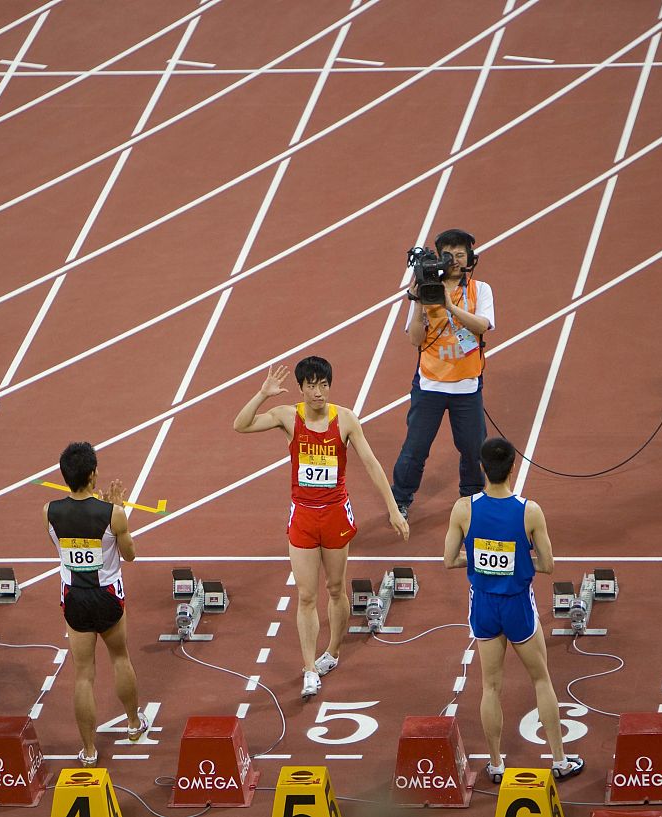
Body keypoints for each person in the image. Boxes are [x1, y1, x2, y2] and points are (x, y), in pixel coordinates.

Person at [234, 357, 409, 698]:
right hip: (302, 515)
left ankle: (332, 652)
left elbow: (371, 465)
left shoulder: (345, 420)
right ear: (301, 388)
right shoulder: (288, 416)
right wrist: (262, 394)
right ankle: (309, 669)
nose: (318, 392)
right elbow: (240, 425)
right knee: (307, 595)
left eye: (324, 385)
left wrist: (393, 510)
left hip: (334, 516)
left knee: (335, 588)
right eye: (311, 386)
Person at [443, 436, 583, 783]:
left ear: (482, 468)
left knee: (490, 686)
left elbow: (449, 560)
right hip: (517, 604)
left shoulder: (464, 509)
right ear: (513, 468)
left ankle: (495, 764)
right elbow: (548, 565)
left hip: (484, 606)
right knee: (541, 679)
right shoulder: (529, 511)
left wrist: (478, 560)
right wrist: (517, 560)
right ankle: (560, 761)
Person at [45, 442, 148, 766]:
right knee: (120, 657)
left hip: (74, 597)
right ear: (93, 474)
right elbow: (129, 555)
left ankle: (89, 751)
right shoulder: (113, 514)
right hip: (107, 596)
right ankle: (133, 724)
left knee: (83, 675)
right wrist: (117, 512)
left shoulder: (49, 511)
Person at [392, 228, 495, 518]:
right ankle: (400, 498)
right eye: (448, 254)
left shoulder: (480, 289)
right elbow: (415, 339)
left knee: (474, 449)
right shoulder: (426, 289)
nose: (454, 260)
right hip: (430, 384)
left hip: (466, 385)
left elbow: (481, 326)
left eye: (461, 254)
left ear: (469, 258)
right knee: (416, 449)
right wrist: (417, 304)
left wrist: (448, 305)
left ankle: (472, 497)